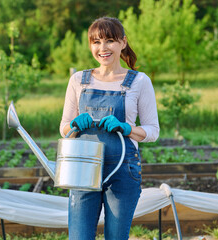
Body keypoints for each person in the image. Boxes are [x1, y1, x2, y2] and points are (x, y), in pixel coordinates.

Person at [59, 17, 159, 240]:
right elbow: (64, 129)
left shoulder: (139, 81)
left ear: (123, 42)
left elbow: (153, 131)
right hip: (83, 168)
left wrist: (126, 128)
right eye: (96, 42)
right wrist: (74, 126)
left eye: (109, 41)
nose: (102, 48)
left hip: (123, 169)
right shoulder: (78, 80)